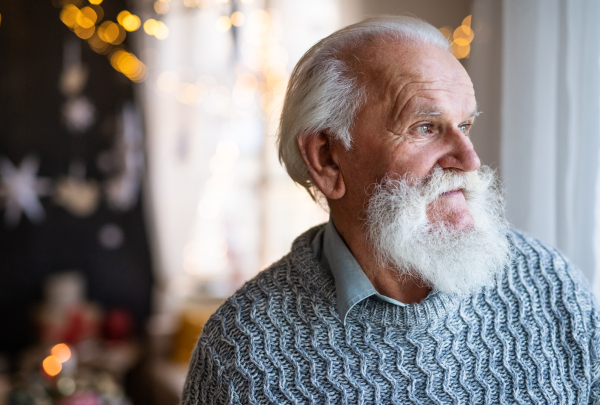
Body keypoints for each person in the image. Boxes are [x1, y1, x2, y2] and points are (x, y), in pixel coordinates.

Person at [180, 15, 600, 404]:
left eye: (465, 126)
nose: (469, 159)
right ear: (326, 158)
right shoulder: (241, 354)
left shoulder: (550, 283)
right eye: (424, 127)